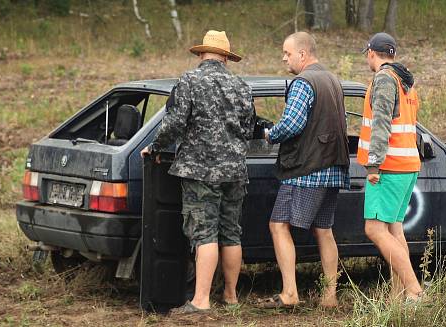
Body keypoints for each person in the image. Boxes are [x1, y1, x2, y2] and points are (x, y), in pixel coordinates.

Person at [141, 30, 255, 314]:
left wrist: (155, 148)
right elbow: (249, 129)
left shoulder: (190, 81)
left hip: (200, 171)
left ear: (202, 54)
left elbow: (174, 124)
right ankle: (230, 297)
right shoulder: (241, 86)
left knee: (205, 234)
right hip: (235, 171)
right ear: (226, 58)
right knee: (231, 233)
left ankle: (201, 301)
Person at [257, 31, 350, 309]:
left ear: (302, 53)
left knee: (278, 225)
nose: (284, 58)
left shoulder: (303, 82)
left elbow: (293, 124)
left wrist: (270, 134)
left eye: (287, 53)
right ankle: (329, 296)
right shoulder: (333, 80)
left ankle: (289, 293)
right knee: (324, 230)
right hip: (333, 168)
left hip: (307, 168)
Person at [358, 32, 424, 301]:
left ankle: (414, 291)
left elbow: (381, 124)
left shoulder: (384, 79)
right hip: (407, 164)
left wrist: (373, 164)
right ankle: (399, 295)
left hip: (389, 166)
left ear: (372, 53)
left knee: (373, 229)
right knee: (394, 230)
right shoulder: (405, 82)